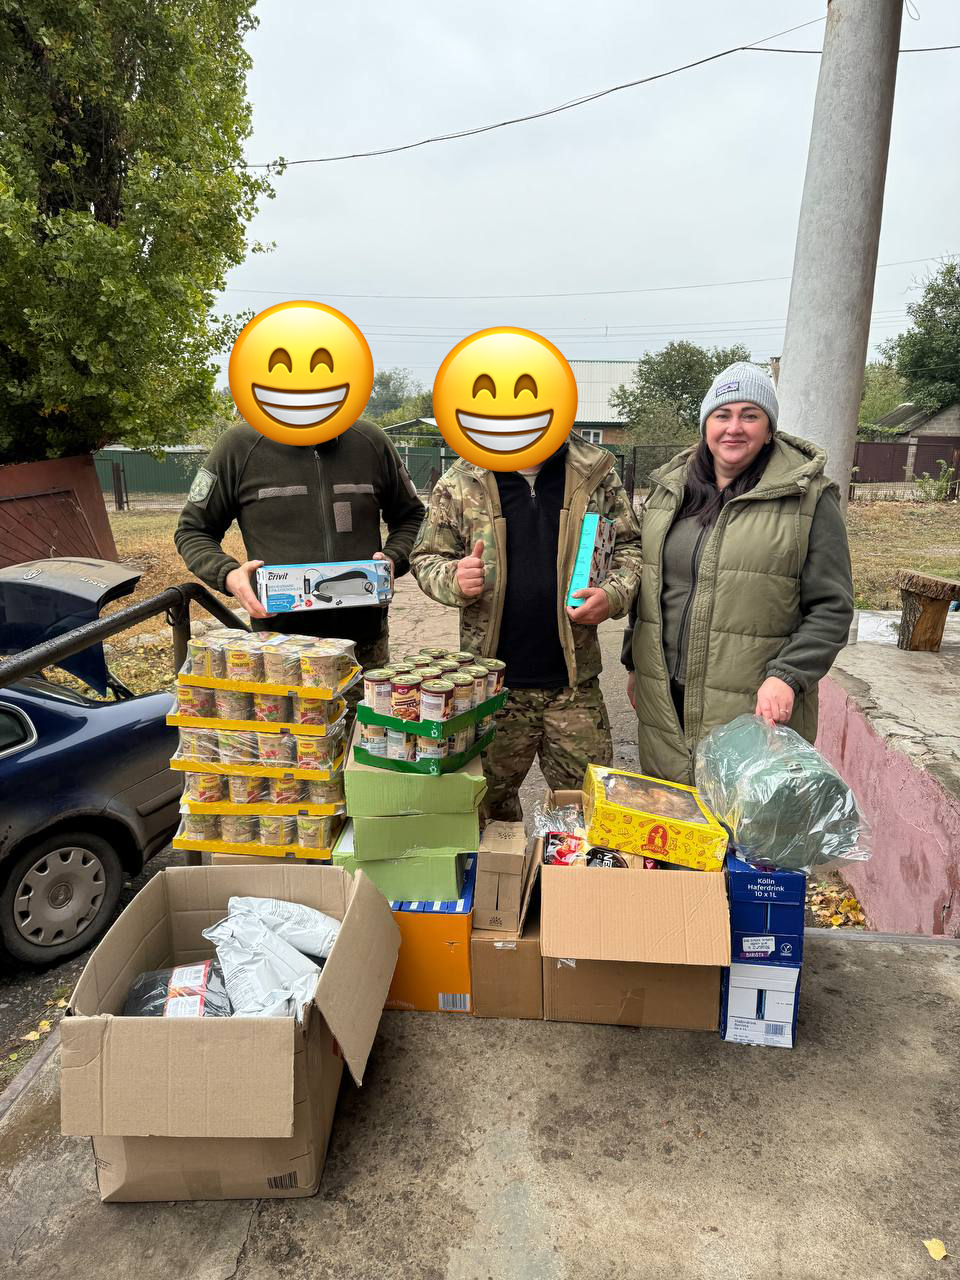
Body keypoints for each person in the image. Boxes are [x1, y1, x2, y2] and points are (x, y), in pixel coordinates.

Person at [622, 361, 854, 785]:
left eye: (750, 415)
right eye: (722, 415)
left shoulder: (809, 499)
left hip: (753, 706)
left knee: (741, 819)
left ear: (769, 429)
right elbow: (650, 587)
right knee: (671, 817)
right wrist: (634, 663)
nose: (734, 428)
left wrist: (788, 676)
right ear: (705, 425)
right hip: (665, 703)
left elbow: (832, 607)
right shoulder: (670, 491)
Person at [411, 435, 642, 821]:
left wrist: (613, 594)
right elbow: (426, 556)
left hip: (573, 689)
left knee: (589, 815)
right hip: (490, 691)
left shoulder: (594, 472)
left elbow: (630, 549)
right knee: (484, 816)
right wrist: (453, 577)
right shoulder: (462, 478)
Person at [174, 416, 426, 688]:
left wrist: (394, 558)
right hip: (279, 651)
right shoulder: (239, 447)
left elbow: (412, 516)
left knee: (366, 717)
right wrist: (228, 575)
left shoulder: (371, 441)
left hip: (364, 646)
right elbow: (193, 531)